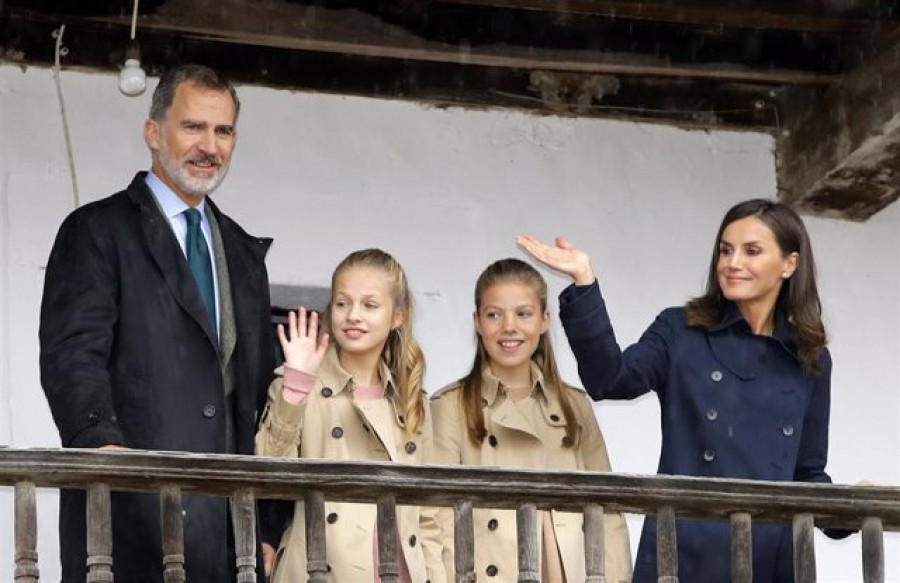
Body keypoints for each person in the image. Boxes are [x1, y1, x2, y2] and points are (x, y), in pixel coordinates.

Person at [518, 199, 848, 582]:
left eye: (751, 251)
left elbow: (807, 473)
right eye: (726, 250)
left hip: (769, 561)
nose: (732, 263)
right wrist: (584, 282)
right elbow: (611, 379)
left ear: (789, 264)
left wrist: (848, 509)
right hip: (681, 556)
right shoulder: (681, 330)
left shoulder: (809, 358)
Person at [39, 64, 275, 582]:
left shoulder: (242, 254)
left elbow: (259, 397)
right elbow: (72, 358)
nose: (209, 145)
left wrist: (268, 527)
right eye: (193, 126)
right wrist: (105, 452)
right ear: (153, 132)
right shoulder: (97, 232)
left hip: (228, 539)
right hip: (128, 525)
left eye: (224, 131)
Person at [430, 258, 632, 583]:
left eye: (523, 314)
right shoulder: (450, 406)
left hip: (566, 569)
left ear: (544, 320)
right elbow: (435, 512)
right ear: (477, 321)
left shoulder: (574, 406)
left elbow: (607, 510)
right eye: (494, 314)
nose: (509, 326)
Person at [255, 249, 445, 583]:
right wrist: (297, 387)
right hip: (321, 568)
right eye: (343, 303)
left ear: (397, 316)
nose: (353, 315)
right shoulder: (298, 383)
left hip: (398, 569)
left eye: (370, 305)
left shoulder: (410, 399)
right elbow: (269, 473)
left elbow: (427, 511)